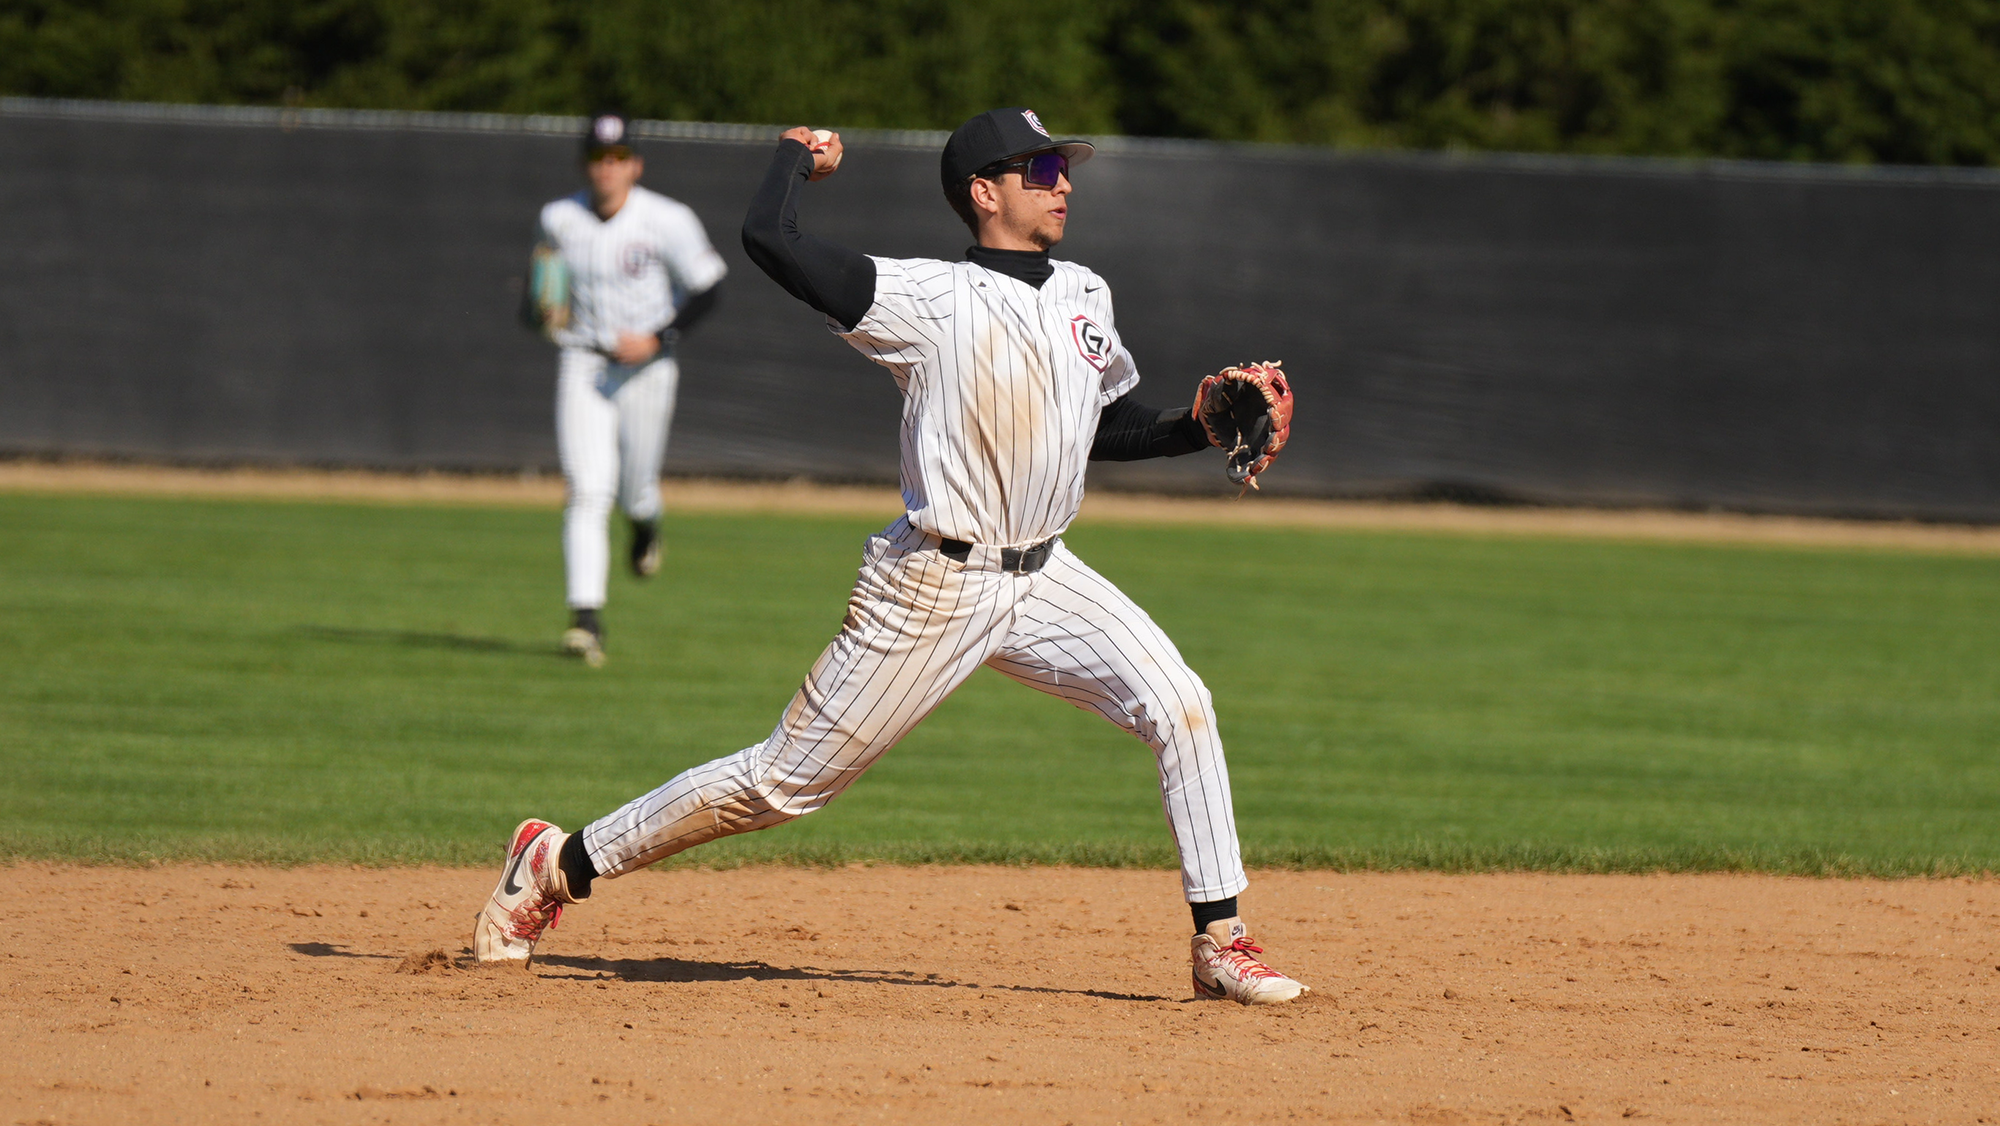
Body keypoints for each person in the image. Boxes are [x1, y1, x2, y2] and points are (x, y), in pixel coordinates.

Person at [476, 108, 1308, 1005]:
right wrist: (795, 157)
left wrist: (1196, 427)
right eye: (1039, 168)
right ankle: (556, 862)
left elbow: (1100, 429)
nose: (1062, 181)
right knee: (779, 785)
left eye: (1062, 166)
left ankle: (1220, 940)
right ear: (984, 193)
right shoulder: (925, 297)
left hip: (1045, 576)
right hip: (932, 587)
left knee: (1180, 703)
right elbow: (771, 239)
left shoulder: (1085, 293)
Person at [526, 111, 727, 666]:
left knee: (635, 488)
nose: (607, 168)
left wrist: (659, 337)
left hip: (649, 367)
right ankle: (585, 621)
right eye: (598, 158)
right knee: (588, 490)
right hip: (583, 361)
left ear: (634, 164)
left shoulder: (666, 219)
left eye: (617, 158)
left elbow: (709, 287)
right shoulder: (559, 218)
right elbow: (542, 286)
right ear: (585, 164)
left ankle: (645, 522)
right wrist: (539, 307)